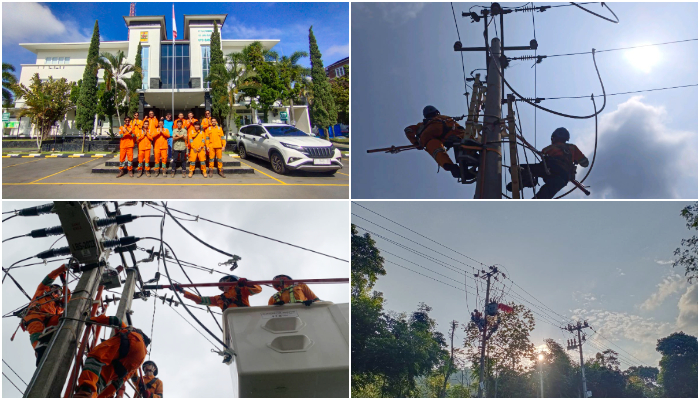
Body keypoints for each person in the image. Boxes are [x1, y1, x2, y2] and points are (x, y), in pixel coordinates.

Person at [73, 314, 149, 398]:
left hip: (134, 341)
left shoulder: (131, 332)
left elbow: (117, 321)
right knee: (102, 379)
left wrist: (94, 319)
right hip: (137, 359)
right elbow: (120, 381)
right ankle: (91, 394)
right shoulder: (139, 355)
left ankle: (86, 389)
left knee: (97, 355)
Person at [507, 127, 589, 199]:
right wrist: (575, 160)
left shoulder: (548, 148)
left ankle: (527, 180)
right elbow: (585, 163)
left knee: (516, 168)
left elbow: (543, 155)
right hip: (563, 176)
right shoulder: (573, 148)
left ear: (554, 137)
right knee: (543, 196)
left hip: (550, 167)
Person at [23, 264, 70, 366]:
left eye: (58, 292)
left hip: (49, 320)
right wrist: (62, 269)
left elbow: (68, 298)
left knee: (65, 318)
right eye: (54, 289)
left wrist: (64, 283)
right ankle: (39, 348)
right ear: (50, 288)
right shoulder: (41, 292)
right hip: (35, 315)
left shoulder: (58, 306)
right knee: (36, 325)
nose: (55, 293)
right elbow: (50, 277)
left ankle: (54, 342)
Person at [404, 105, 468, 178]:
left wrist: (415, 142)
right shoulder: (441, 117)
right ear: (436, 112)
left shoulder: (420, 125)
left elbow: (408, 130)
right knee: (463, 134)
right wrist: (460, 134)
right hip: (440, 128)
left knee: (436, 149)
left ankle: (451, 167)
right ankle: (462, 143)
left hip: (425, 137)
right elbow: (456, 126)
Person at [171, 275, 262, 309]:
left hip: (244, 314)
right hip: (231, 318)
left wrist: (247, 283)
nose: (224, 282)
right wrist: (182, 291)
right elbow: (200, 300)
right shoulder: (218, 298)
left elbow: (258, 289)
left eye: (226, 280)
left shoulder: (242, 289)